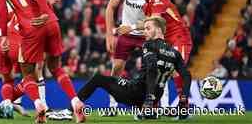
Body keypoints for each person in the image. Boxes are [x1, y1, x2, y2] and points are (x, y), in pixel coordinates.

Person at [0, 0, 85, 123]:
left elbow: (2, 11)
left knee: (28, 74)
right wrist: (44, 13)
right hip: (51, 22)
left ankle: (39, 105)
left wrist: (2, 35)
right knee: (56, 68)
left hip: (31, 28)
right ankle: (75, 101)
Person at [51, 16, 192, 120]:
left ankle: (70, 111)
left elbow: (152, 69)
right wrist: (184, 97)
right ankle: (148, 112)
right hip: (155, 95)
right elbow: (186, 75)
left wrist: (148, 98)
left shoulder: (149, 45)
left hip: (138, 91)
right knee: (132, 83)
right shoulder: (175, 53)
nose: (145, 32)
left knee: (98, 78)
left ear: (159, 30)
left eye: (148, 28)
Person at [105, 0, 161, 110]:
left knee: (154, 68)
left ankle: (157, 105)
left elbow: (156, 18)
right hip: (127, 34)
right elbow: (110, 7)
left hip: (146, 34)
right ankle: (112, 105)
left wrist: (135, 27)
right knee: (116, 67)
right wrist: (109, 35)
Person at [133, 0, 193, 107]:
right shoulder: (145, 6)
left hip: (179, 38)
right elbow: (150, 31)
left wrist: (130, 27)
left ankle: (183, 107)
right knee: (157, 71)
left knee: (176, 71)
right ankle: (152, 108)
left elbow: (154, 22)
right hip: (165, 42)